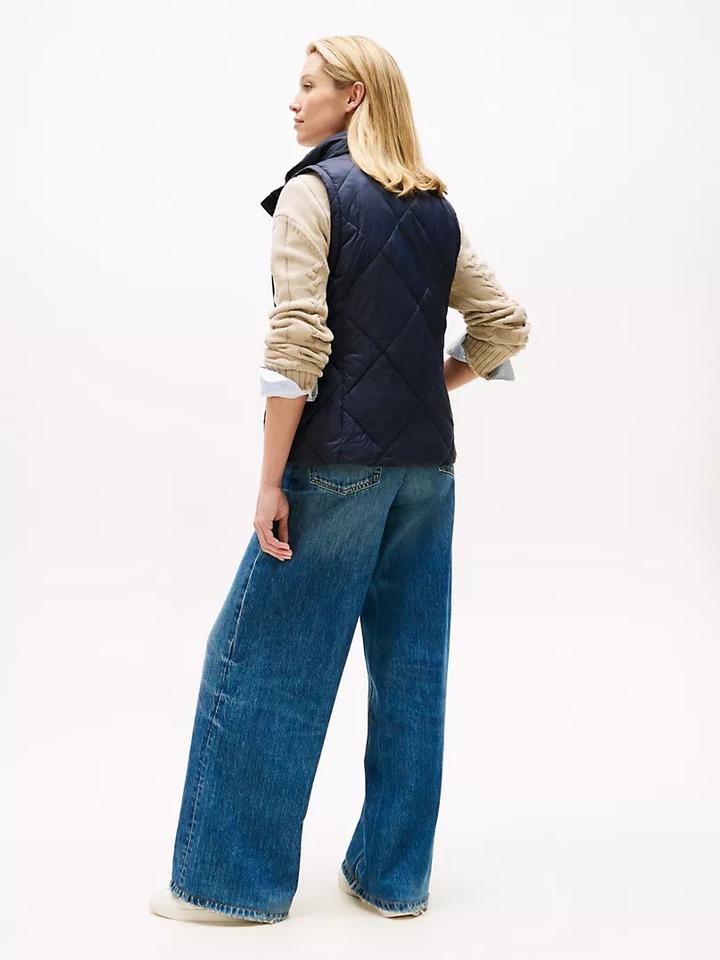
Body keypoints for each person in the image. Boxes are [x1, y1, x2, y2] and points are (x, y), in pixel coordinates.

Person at [149, 33, 530, 925]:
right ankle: (394, 881)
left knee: (262, 663)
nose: (294, 101)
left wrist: (269, 481)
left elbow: (296, 343)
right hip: (427, 474)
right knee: (411, 671)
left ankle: (229, 887)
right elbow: (505, 326)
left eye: (309, 84)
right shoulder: (436, 210)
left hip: (335, 470)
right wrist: (424, 388)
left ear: (353, 96)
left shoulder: (311, 193)